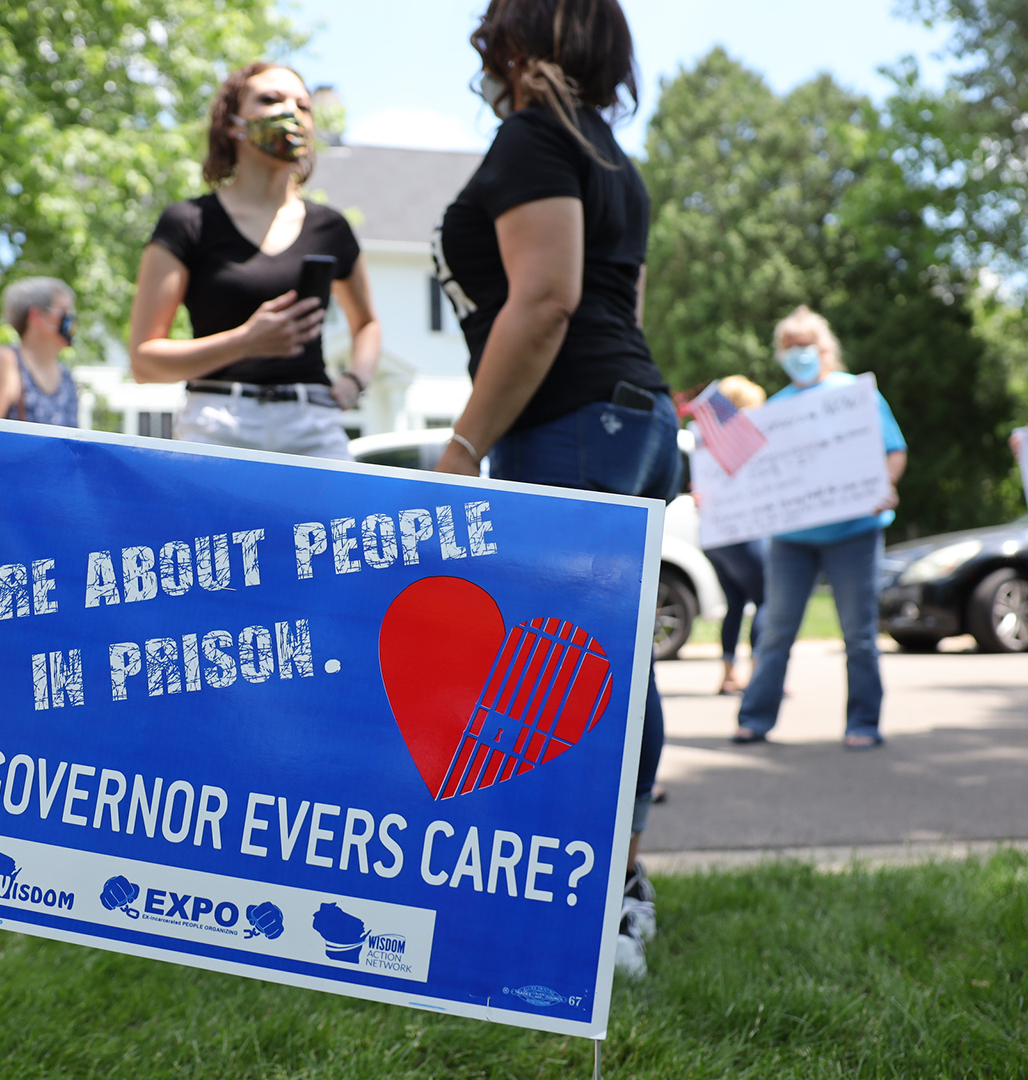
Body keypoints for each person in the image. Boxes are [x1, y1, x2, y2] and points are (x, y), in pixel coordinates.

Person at [430, 0, 673, 976]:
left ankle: (595, 909)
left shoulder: (534, 136)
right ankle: (620, 884)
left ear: (518, 42)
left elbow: (548, 300)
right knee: (616, 666)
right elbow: (624, 305)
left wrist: (461, 445)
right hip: (630, 418)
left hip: (573, 425)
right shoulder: (610, 154)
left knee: (566, 674)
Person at [127, 63, 380, 458]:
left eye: (303, 105)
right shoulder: (187, 222)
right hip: (216, 424)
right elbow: (145, 363)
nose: (290, 112)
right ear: (233, 125)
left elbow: (366, 324)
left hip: (313, 424)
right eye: (270, 100)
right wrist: (244, 342)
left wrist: (355, 380)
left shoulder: (332, 227)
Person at [733, 306, 907, 751]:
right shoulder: (776, 409)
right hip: (792, 540)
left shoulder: (855, 394)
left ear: (824, 349)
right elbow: (752, 475)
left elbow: (894, 450)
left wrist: (885, 484)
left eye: (804, 345)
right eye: (788, 347)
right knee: (775, 630)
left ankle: (863, 723)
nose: (797, 354)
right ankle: (754, 718)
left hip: (854, 532)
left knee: (859, 634)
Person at [698, 375, 768, 696]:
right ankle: (760, 676)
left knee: (735, 605)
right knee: (766, 599)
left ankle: (727, 676)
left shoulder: (703, 440)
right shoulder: (747, 440)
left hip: (714, 539)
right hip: (744, 534)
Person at [0, 277, 81, 427]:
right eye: (64, 311)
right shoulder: (5, 362)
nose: (71, 320)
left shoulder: (66, 375)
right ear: (37, 316)